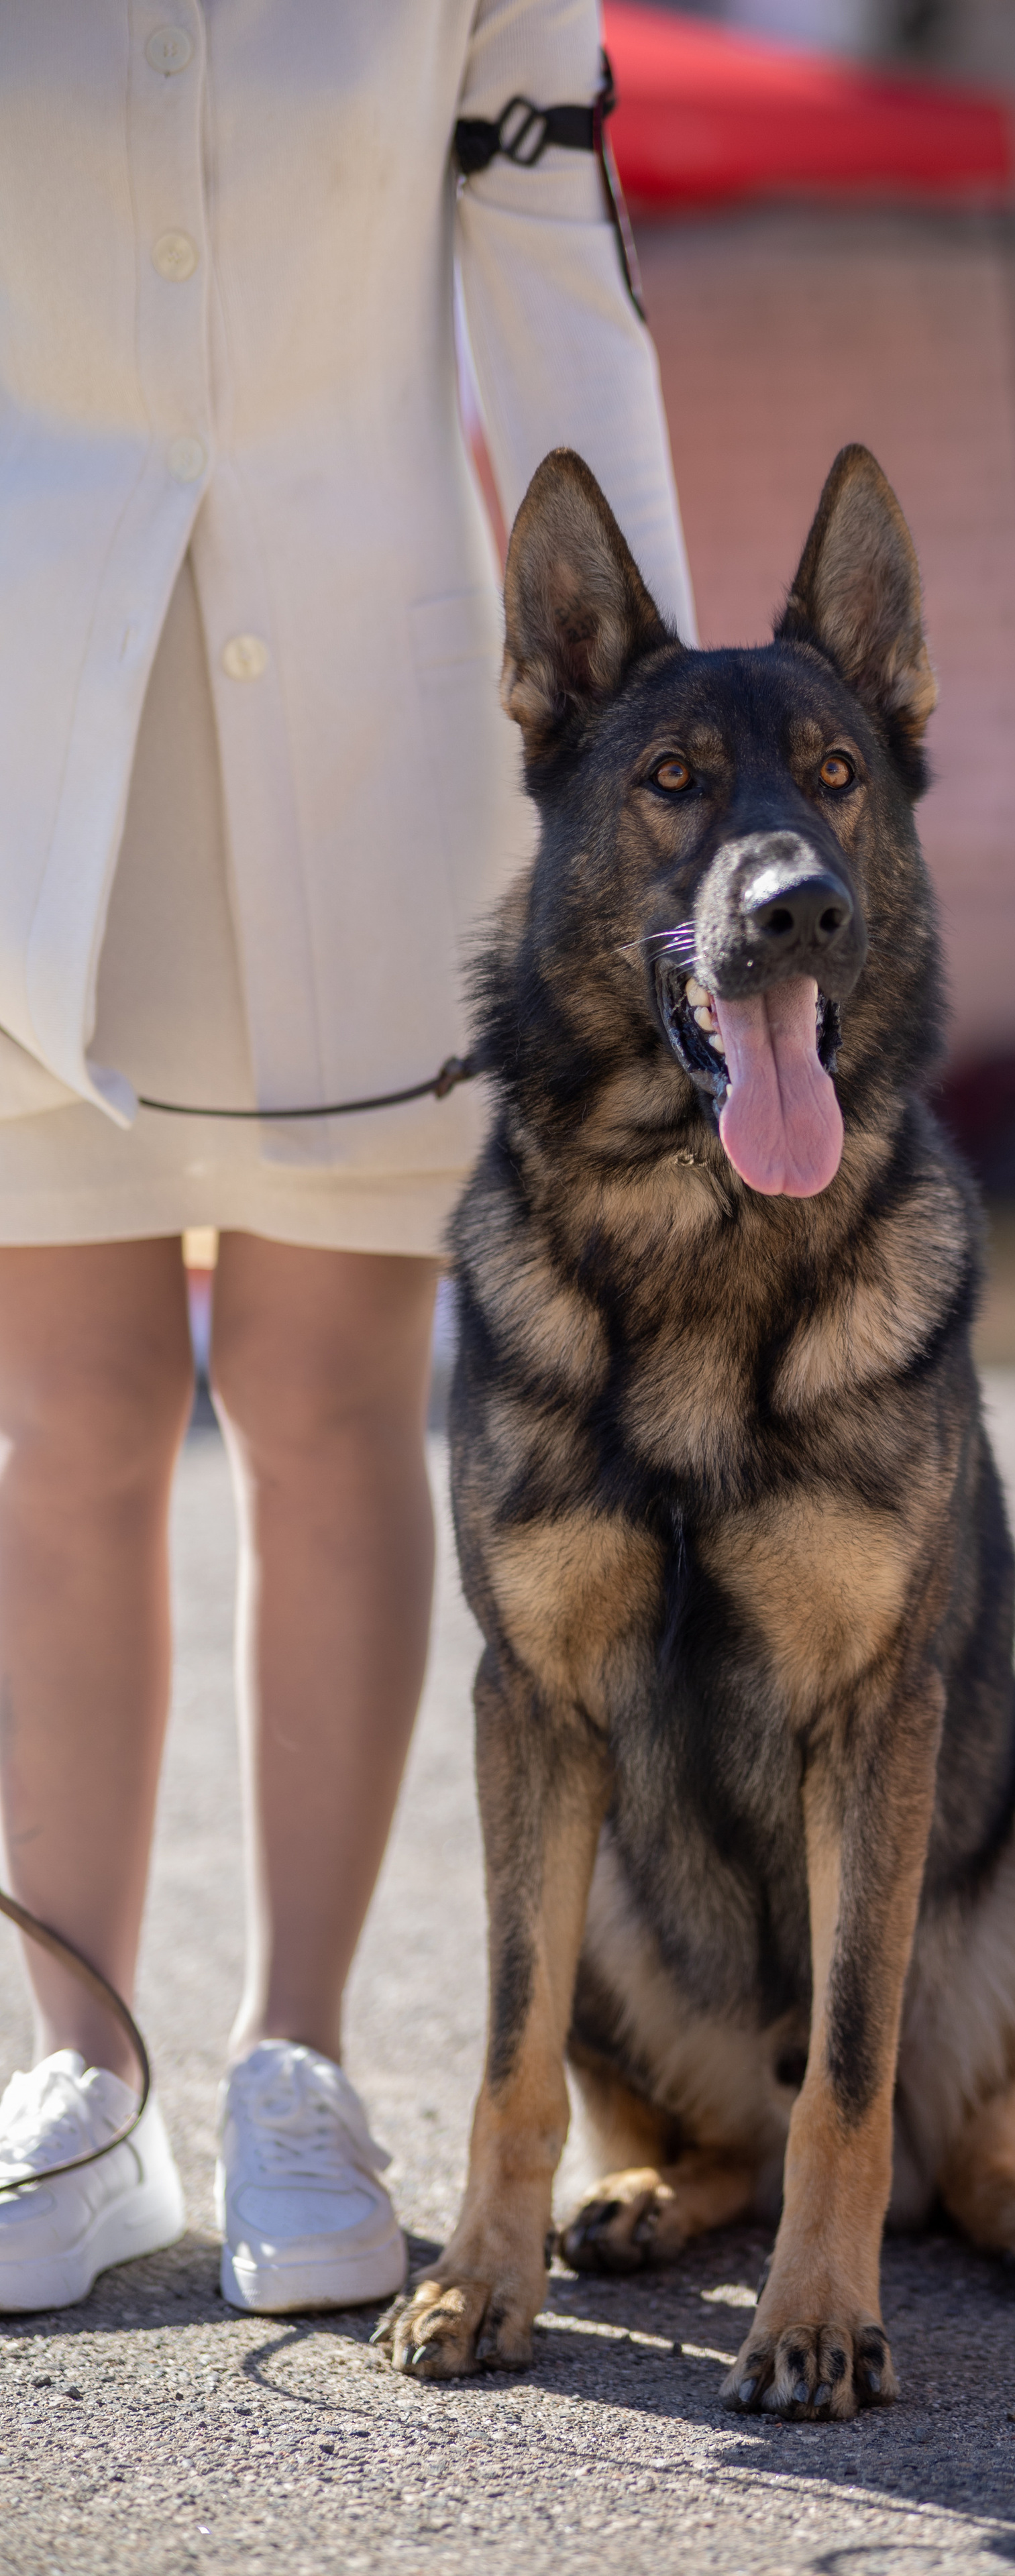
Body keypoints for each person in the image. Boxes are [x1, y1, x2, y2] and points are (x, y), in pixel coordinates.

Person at [0, 1, 694, 2318]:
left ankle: (296, 2059)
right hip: (26, 763)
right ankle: (78, 2078)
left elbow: (568, 309)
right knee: (68, 1421)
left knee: (323, 1407)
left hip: (372, 760)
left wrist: (671, 767)